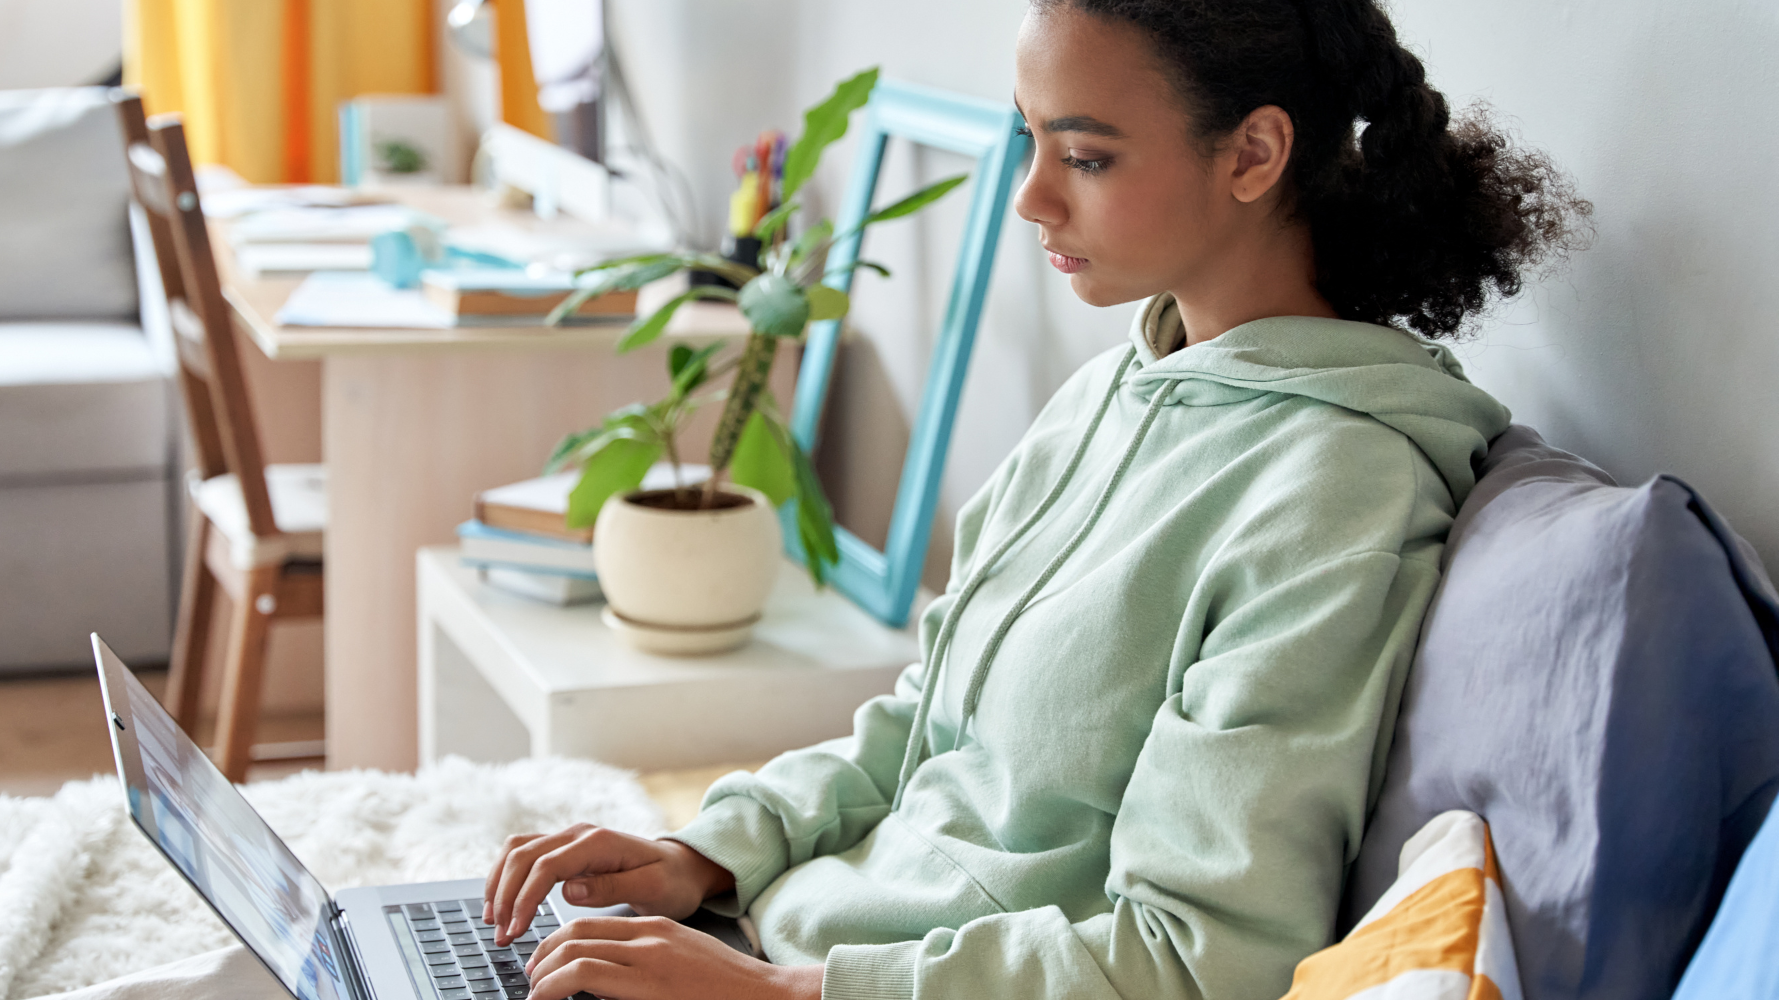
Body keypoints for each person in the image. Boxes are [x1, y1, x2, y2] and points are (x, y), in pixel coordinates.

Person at [486, 1, 1589, 999]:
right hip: (782, 938)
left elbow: (1198, 958)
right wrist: (707, 853)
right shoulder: (1114, 389)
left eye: (1086, 156)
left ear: (1253, 153)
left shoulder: (1335, 490)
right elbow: (927, 727)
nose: (1029, 197)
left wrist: (787, 993)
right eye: (1030, 138)